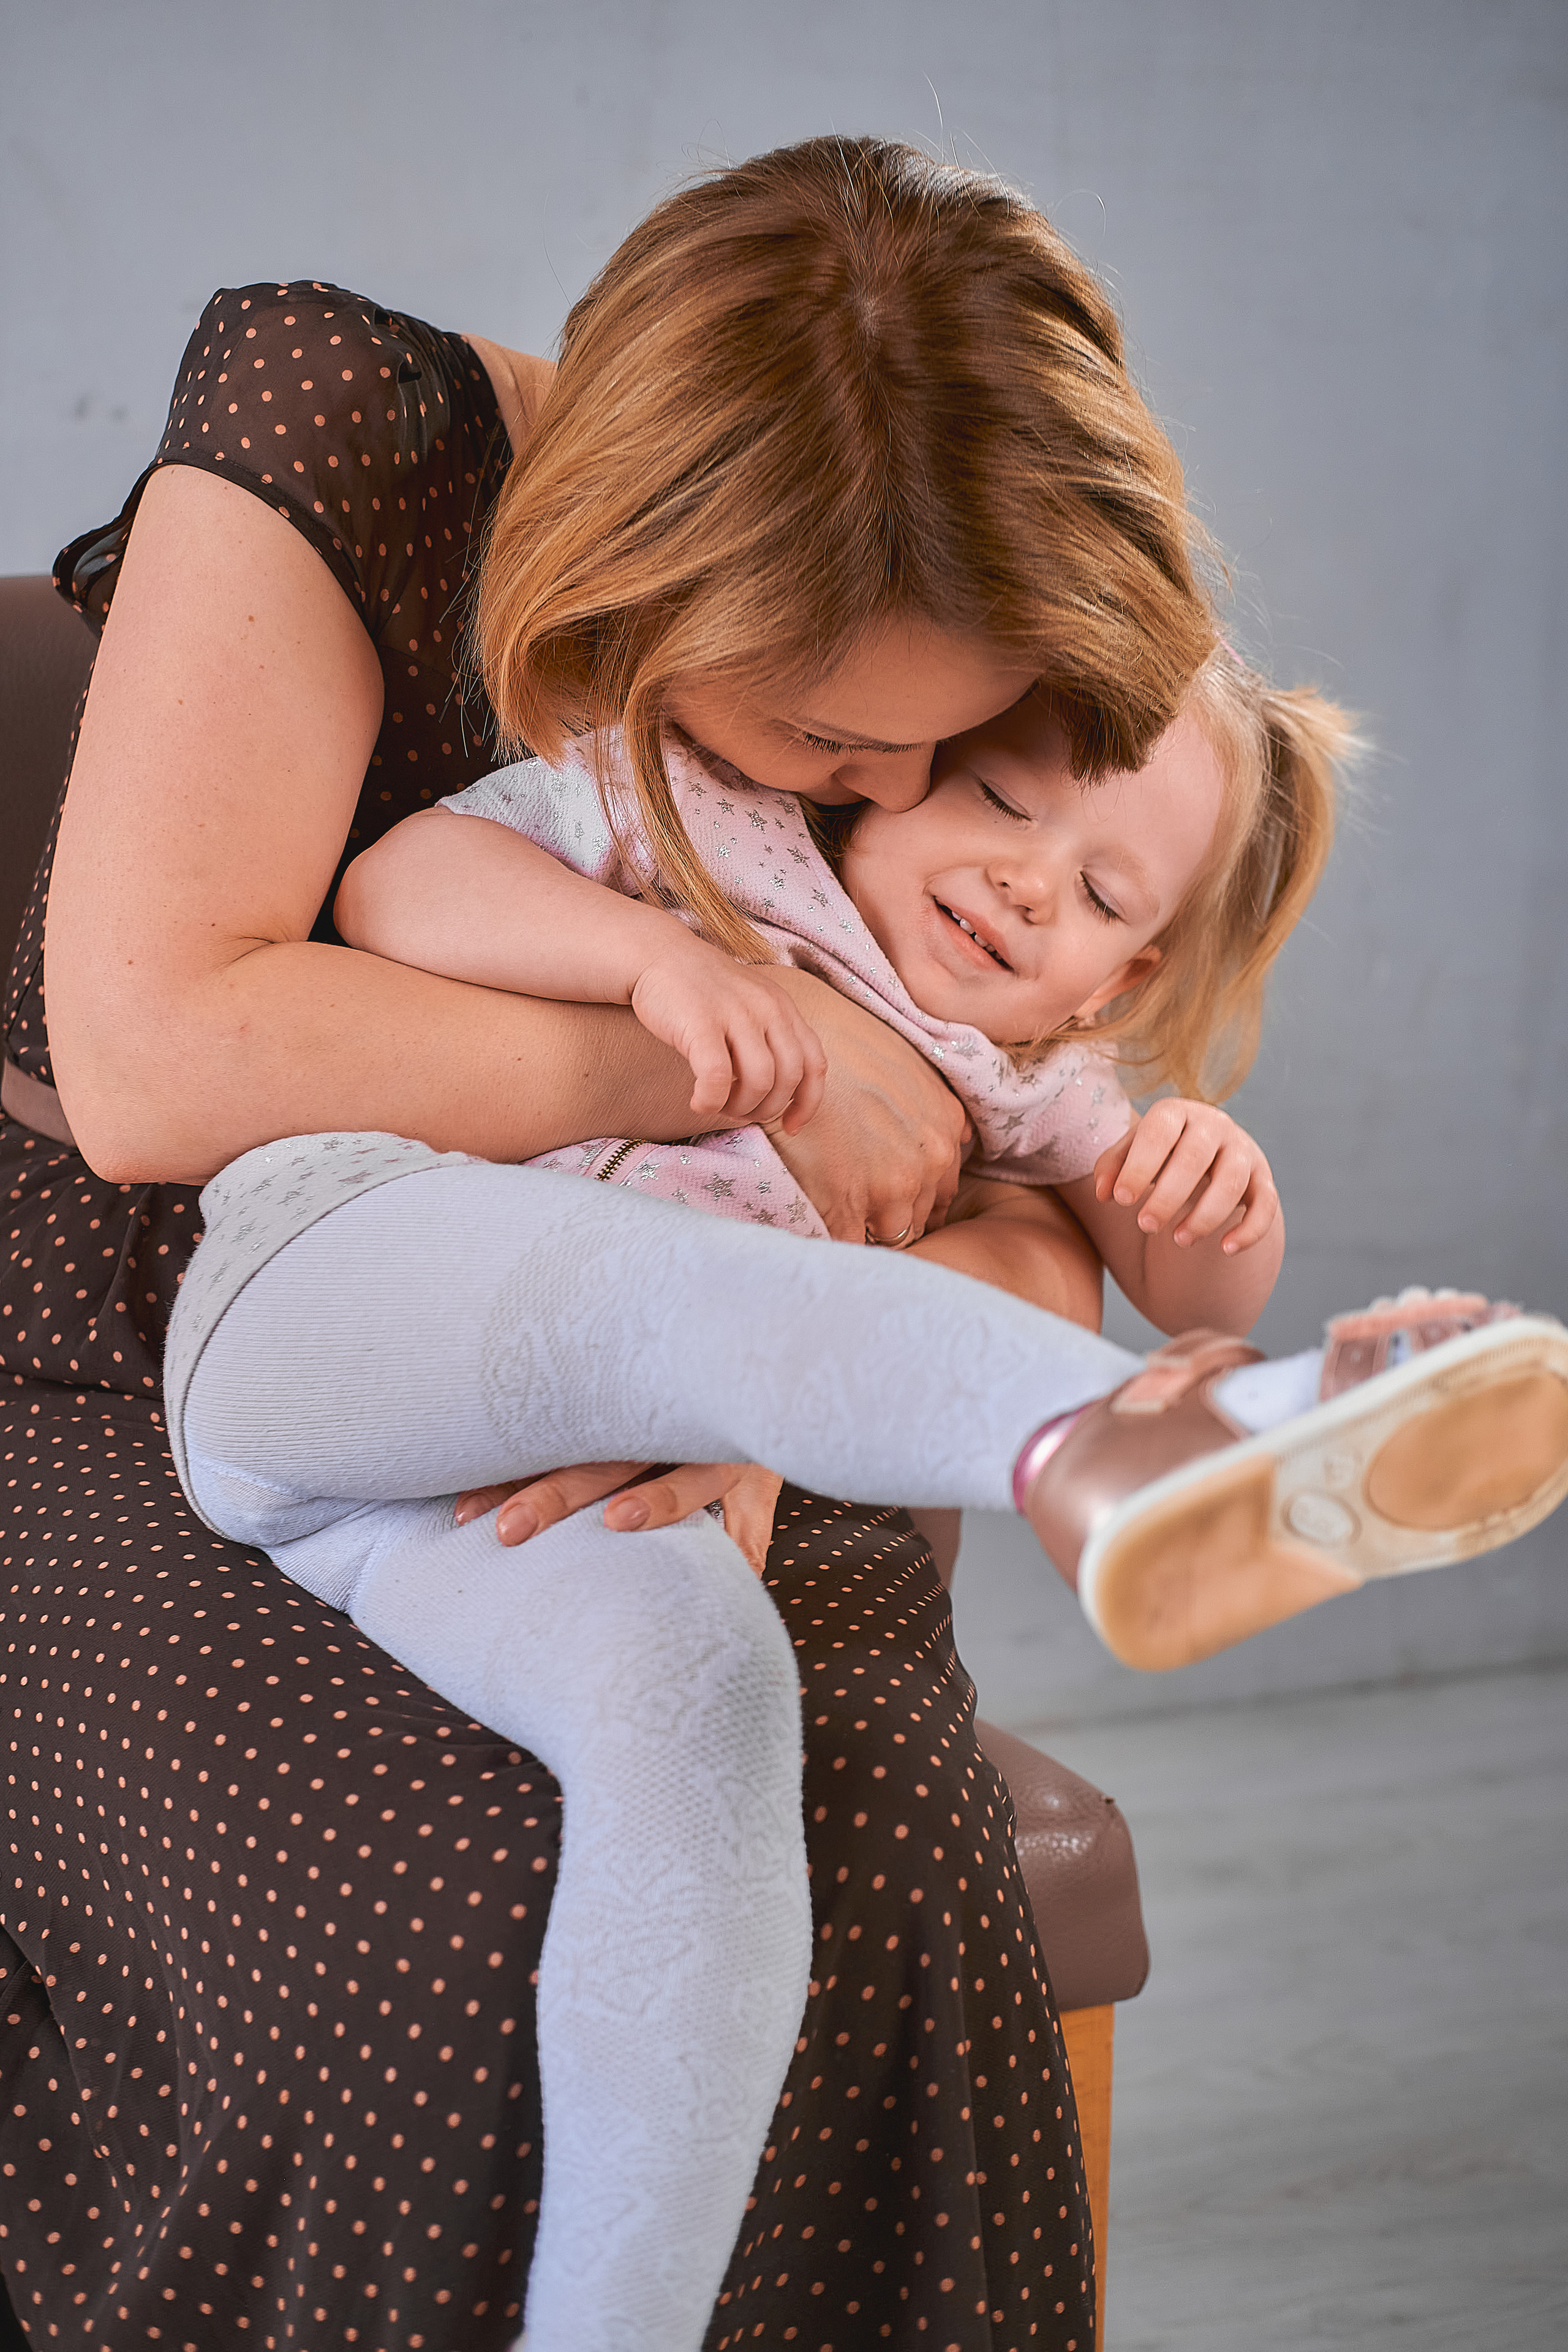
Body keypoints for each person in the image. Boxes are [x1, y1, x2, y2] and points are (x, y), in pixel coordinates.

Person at [2, 135, 1562, 2349]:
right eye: (852, 742)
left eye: (946, 750)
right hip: (264, 1294)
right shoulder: (630, 757)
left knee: (724, 1733)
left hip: (603, 1428)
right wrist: (745, 1055)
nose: (898, 801)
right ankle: (1138, 1440)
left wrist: (808, 1367)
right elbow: (205, 1035)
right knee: (440, 1881)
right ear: (669, 562)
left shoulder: (938, 734)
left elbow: (1015, 1219)